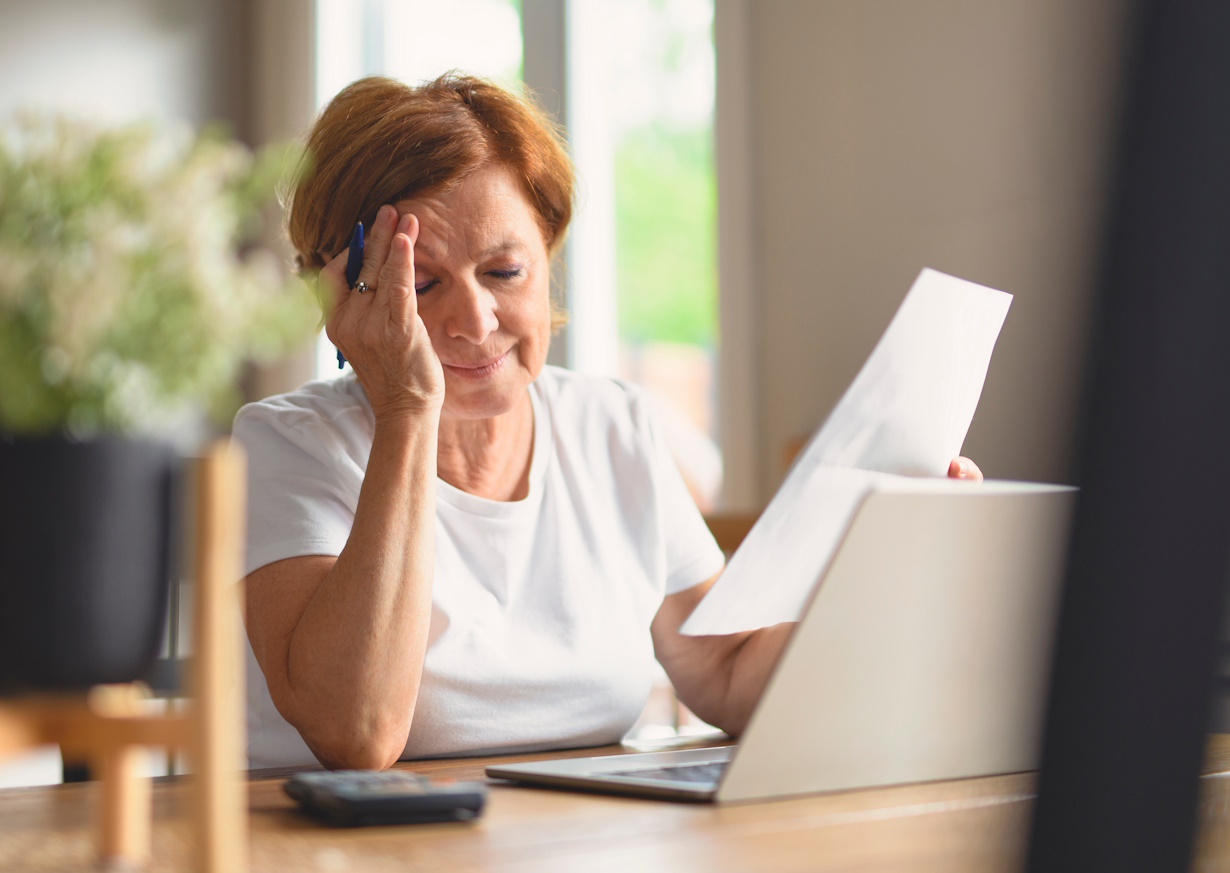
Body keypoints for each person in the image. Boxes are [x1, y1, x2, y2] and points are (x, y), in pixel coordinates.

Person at [235, 74, 984, 770]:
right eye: (422, 284)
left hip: (590, 836)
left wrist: (889, 556)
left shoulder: (612, 426)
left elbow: (728, 672)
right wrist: (406, 407)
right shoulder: (287, 445)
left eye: (504, 272)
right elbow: (357, 730)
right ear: (342, 295)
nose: (475, 320)